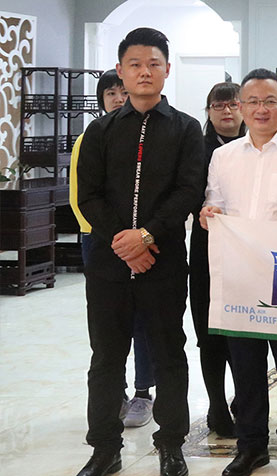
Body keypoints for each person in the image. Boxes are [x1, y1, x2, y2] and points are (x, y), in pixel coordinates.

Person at [75, 27, 203, 476]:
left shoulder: (186, 129)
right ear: (120, 71)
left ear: (167, 70)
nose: (144, 72)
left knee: (169, 353)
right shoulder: (101, 130)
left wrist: (146, 236)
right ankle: (104, 448)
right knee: (106, 358)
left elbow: (188, 190)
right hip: (108, 265)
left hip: (163, 262)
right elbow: (88, 195)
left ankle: (171, 444)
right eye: (135, 64)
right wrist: (125, 243)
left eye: (153, 64)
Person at [199, 68, 277, 476]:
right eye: (252, 102)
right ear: (241, 107)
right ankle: (251, 445)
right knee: (246, 366)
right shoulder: (223, 157)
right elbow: (214, 205)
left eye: (270, 101)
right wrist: (208, 215)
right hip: (239, 273)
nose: (261, 109)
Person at [69, 69, 161, 430]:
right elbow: (80, 196)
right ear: (101, 100)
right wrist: (118, 241)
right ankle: (115, 392)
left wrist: (140, 240)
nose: (118, 99)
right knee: (107, 323)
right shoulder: (90, 137)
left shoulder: (149, 135)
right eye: (110, 94)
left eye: (122, 92)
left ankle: (143, 391)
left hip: (144, 240)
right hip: (100, 240)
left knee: (143, 320)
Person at [189, 81, 246, 439]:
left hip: (248, 250)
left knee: (245, 331)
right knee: (208, 332)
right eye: (218, 105)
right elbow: (186, 193)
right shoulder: (196, 149)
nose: (226, 111)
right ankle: (216, 406)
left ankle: (245, 398)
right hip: (206, 247)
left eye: (232, 104)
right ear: (208, 112)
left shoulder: (256, 144)